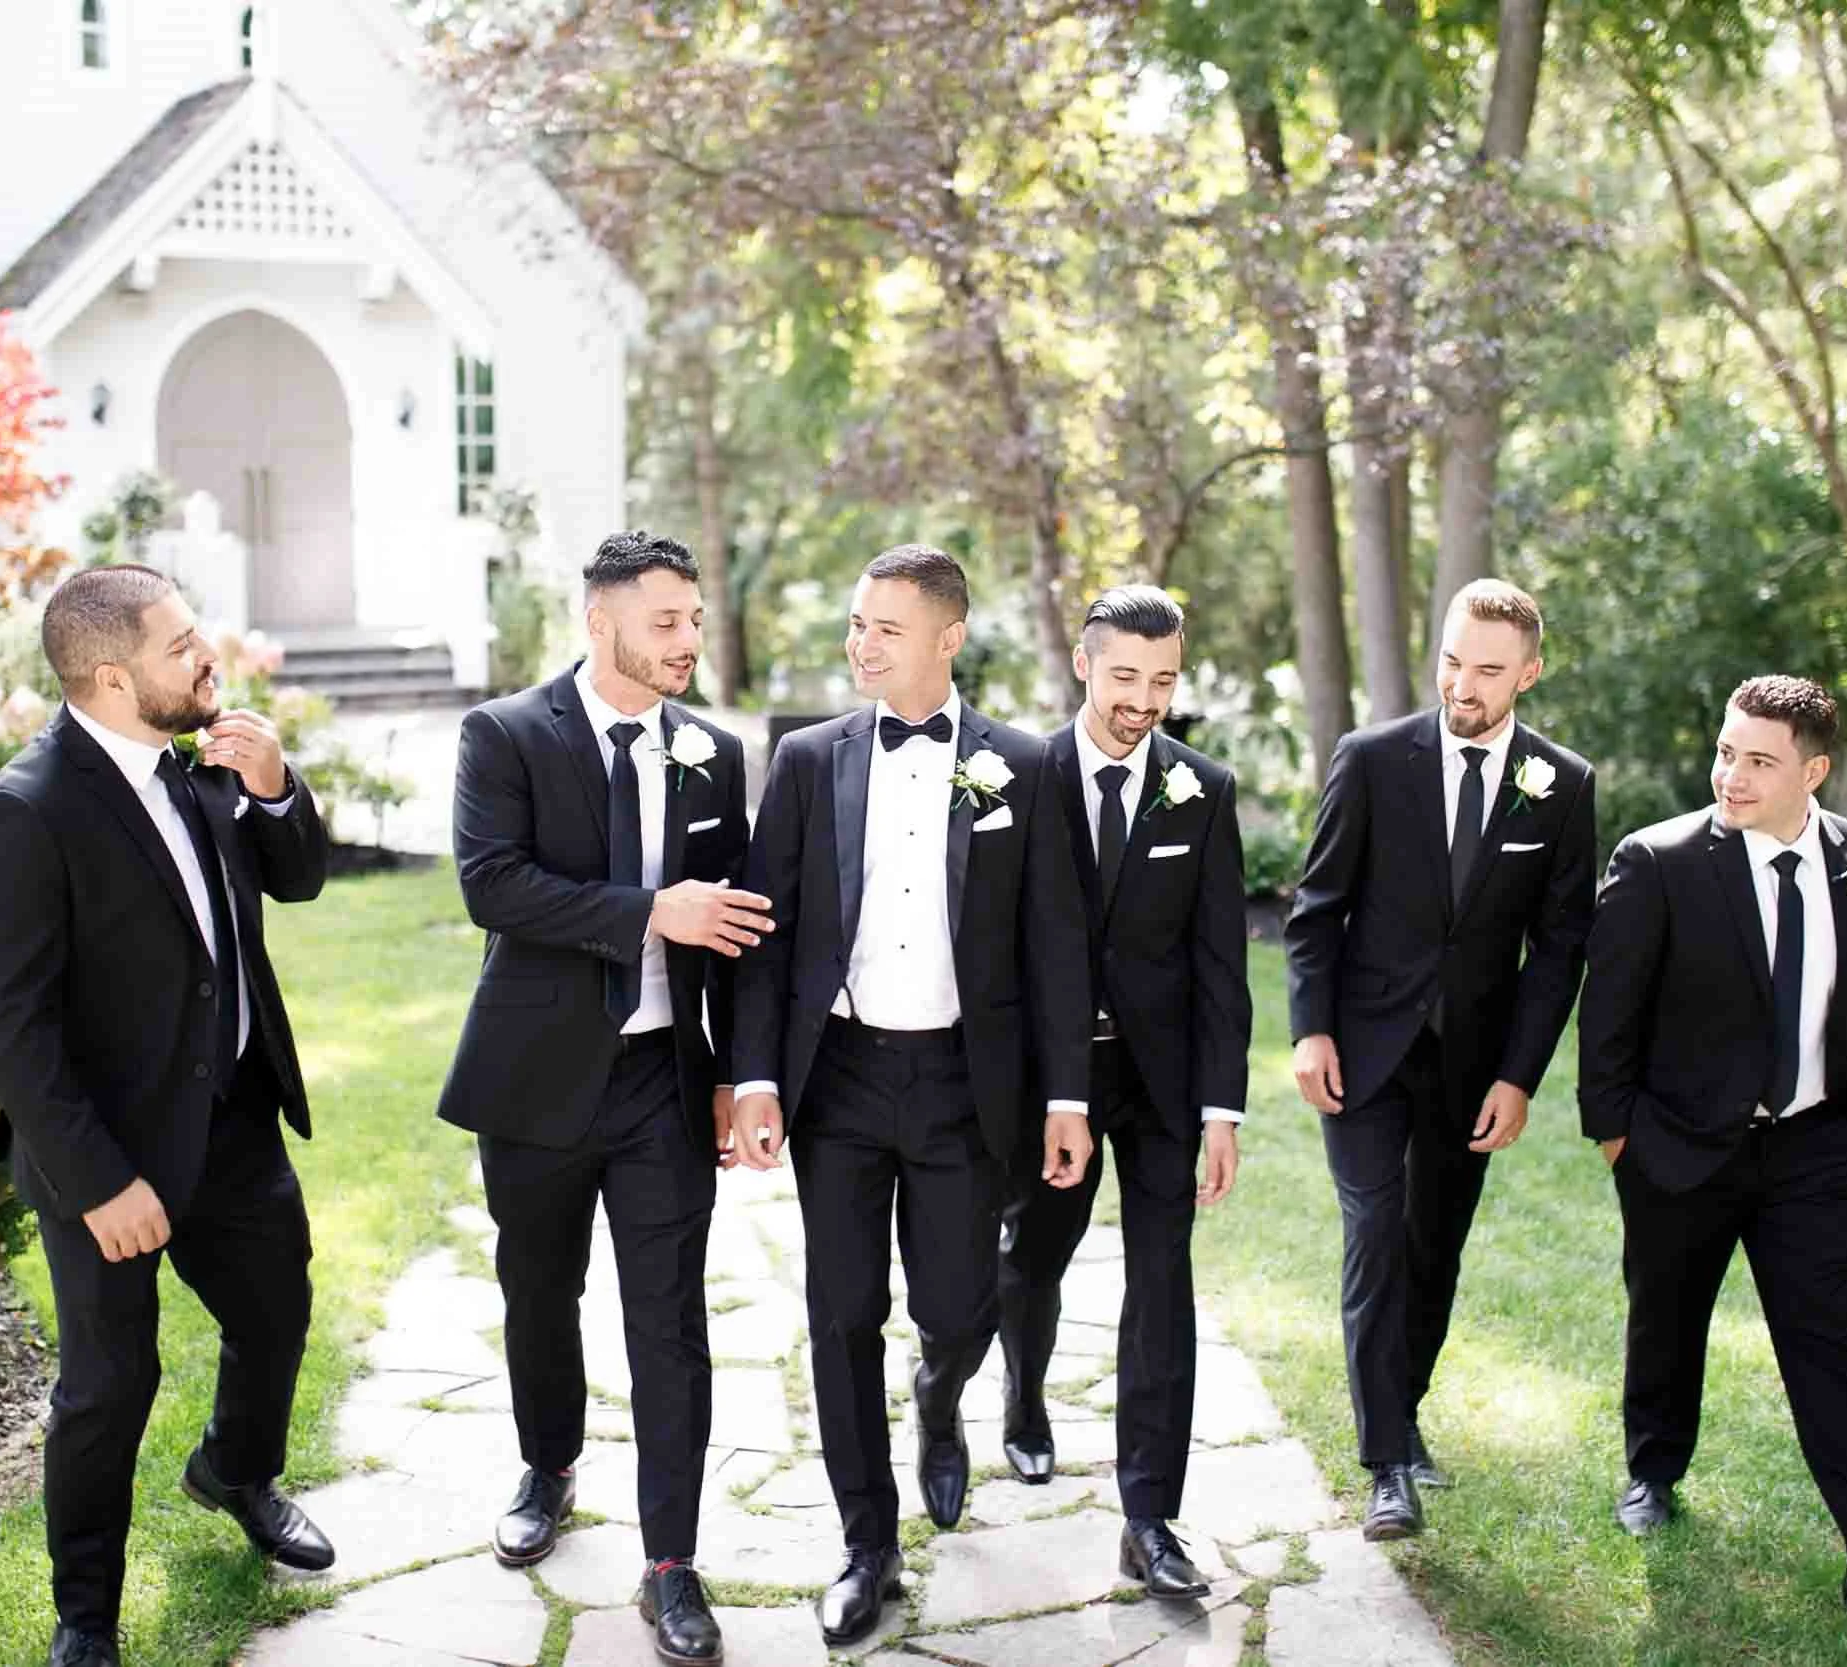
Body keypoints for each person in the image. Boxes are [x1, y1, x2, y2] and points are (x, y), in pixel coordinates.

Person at [0, 566, 333, 1667]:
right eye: (181, 645)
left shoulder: (202, 764)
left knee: (274, 1313)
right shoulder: (24, 812)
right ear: (113, 676)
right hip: (107, 1154)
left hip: (232, 1120)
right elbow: (12, 1028)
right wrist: (99, 1180)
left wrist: (274, 788)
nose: (207, 654)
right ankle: (87, 1616)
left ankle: (235, 1470)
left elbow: (298, 878)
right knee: (108, 1386)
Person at [728, 544, 1090, 1646]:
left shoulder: (1022, 766)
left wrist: (1066, 1093)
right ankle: (864, 1542)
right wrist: (751, 1073)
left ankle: (941, 1396)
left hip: (962, 1083)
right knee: (841, 1313)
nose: (861, 642)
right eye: (855, 622)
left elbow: (1057, 946)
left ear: (948, 637)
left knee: (957, 1303)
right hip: (835, 1078)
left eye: (886, 626)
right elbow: (763, 933)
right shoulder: (805, 758)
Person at [1577, 675, 1847, 1616]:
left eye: (1760, 760)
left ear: (1815, 769)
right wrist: (1619, 1140)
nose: (1734, 774)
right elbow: (1609, 1020)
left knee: (1832, 1342)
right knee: (1667, 1316)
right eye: (1727, 751)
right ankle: (1654, 1471)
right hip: (1678, 1146)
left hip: (1814, 1150)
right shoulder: (1659, 860)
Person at [436, 530, 762, 1666]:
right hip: (534, 1077)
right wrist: (643, 911)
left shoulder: (716, 753)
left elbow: (736, 932)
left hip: (661, 1082)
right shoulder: (508, 734)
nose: (686, 640)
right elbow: (492, 884)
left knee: (669, 1319)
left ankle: (670, 1560)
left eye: (693, 619)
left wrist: (736, 1071)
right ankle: (549, 1460)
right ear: (601, 618)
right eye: (665, 620)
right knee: (537, 1287)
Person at [1284, 579, 1596, 1540]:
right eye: (1454, 660)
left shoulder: (1564, 783)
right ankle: (1387, 1463)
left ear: (1529, 675)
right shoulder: (1373, 759)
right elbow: (1316, 910)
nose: (1464, 681)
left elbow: (1558, 948)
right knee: (1376, 1231)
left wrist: (1518, 1075)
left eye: (1489, 669)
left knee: (1434, 1247)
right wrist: (1310, 1029)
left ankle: (1404, 1414)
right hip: (1365, 1049)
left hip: (1472, 1067)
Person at [994, 586, 1251, 1601]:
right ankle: (1021, 1398)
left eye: (1163, 680)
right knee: (1034, 1255)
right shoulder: (1019, 775)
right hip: (1045, 1081)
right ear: (1083, 666)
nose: (1143, 700)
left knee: (1162, 1286)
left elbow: (1220, 962)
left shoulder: (1204, 788)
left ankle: (1149, 1515)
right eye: (1125, 677)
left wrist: (1221, 1109)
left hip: (1160, 1084)